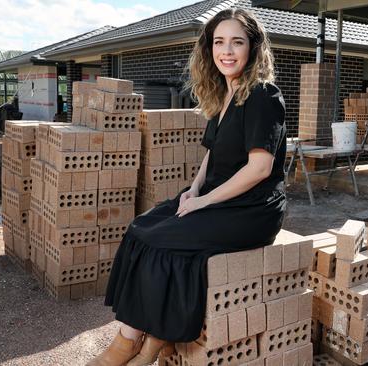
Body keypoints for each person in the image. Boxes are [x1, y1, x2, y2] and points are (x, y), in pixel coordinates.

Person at [88, 7, 287, 366]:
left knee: (165, 241)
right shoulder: (225, 94)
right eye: (219, 42)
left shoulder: (263, 96)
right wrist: (193, 191)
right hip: (218, 196)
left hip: (252, 208)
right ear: (209, 48)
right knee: (141, 228)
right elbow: (211, 157)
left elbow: (259, 169)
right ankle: (144, 340)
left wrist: (204, 202)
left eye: (237, 42)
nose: (227, 51)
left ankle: (133, 342)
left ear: (253, 49)